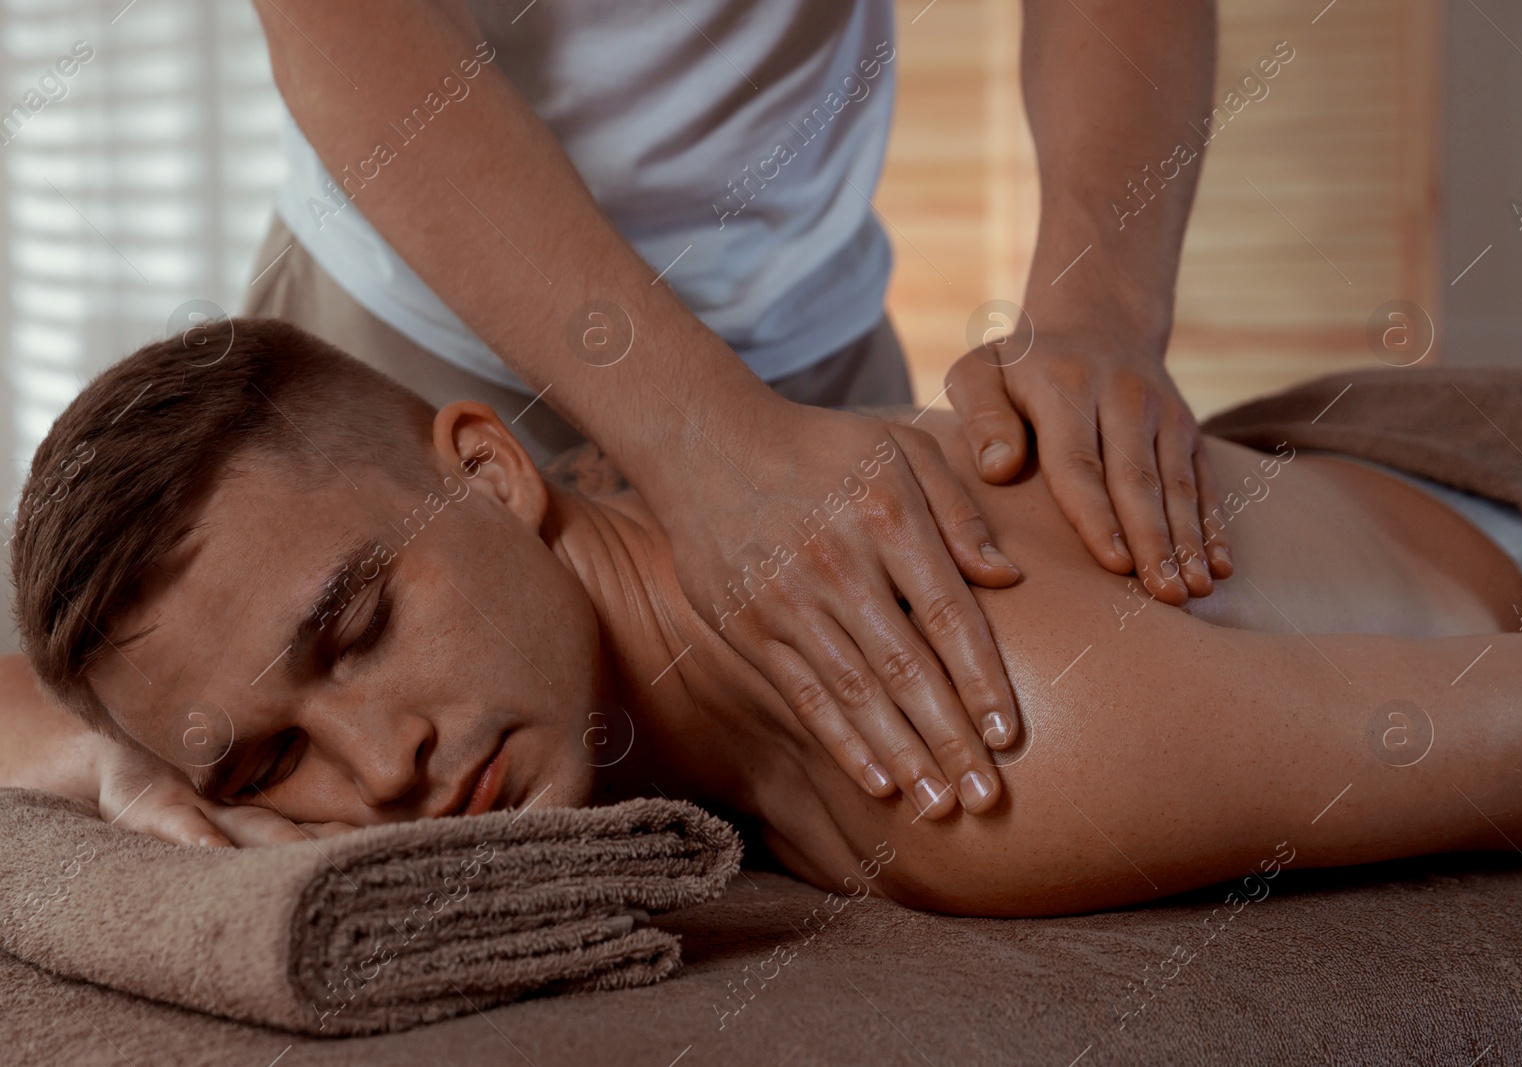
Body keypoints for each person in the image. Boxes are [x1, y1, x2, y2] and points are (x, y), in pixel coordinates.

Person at [4, 321, 1522, 917]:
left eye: (355, 626)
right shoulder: (632, 544)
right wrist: (141, 765)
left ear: (490, 468)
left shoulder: (964, 731)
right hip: (1323, 445)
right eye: (271, 752)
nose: (381, 762)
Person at [239, 0, 1228, 814]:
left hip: (805, 317)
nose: (385, 767)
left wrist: (1101, 307)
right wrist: (699, 440)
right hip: (414, 305)